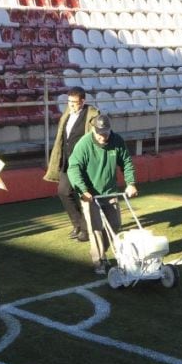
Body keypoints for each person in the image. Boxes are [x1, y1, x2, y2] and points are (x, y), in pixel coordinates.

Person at [67, 114, 138, 275]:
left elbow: (126, 162)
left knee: (115, 224)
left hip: (110, 191)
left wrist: (131, 183)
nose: (102, 136)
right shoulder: (84, 144)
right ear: (93, 129)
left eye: (105, 132)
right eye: (99, 133)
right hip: (90, 194)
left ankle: (101, 251)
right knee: (95, 227)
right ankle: (99, 260)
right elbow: (74, 168)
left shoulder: (116, 141)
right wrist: (83, 190)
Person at [43, 86, 100, 242]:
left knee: (85, 195)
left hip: (84, 162)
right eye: (69, 102)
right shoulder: (67, 113)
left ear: (83, 101)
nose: (71, 105)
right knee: (63, 192)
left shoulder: (93, 115)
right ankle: (78, 225)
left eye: (74, 102)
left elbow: (97, 139)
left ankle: (87, 228)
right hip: (67, 160)